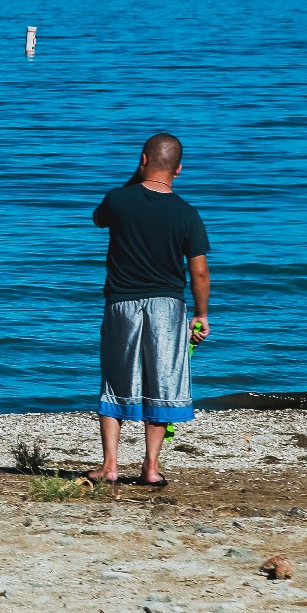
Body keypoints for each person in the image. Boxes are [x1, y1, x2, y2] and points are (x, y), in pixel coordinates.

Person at [89, 133, 210, 486]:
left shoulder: (118, 200)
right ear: (179, 169)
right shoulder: (187, 213)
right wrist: (201, 315)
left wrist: (135, 178)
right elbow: (198, 270)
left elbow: (98, 219)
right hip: (168, 307)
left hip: (122, 304)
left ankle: (110, 465)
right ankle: (151, 467)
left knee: (115, 380)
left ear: (142, 160)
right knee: (163, 382)